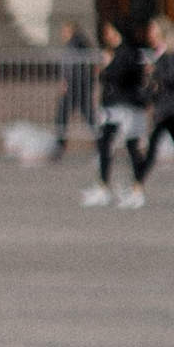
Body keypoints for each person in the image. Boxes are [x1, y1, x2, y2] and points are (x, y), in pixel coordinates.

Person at [85, 20, 151, 207]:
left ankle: (137, 188)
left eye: (111, 31)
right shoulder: (117, 52)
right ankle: (104, 186)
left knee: (131, 146)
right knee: (105, 143)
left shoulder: (126, 52)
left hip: (125, 106)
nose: (108, 36)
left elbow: (120, 75)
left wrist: (107, 66)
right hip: (114, 107)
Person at [134, 16, 174, 189]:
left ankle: (136, 187)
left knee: (152, 148)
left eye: (153, 30)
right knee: (155, 147)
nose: (150, 34)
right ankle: (136, 186)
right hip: (165, 109)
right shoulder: (160, 53)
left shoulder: (172, 52)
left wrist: (156, 73)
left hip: (171, 108)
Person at [56, 16, 97, 155]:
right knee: (87, 113)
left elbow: (72, 67)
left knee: (64, 114)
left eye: (65, 30)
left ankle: (59, 143)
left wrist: (66, 81)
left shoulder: (75, 44)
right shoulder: (79, 43)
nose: (63, 34)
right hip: (79, 84)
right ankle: (100, 140)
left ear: (71, 30)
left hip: (75, 85)